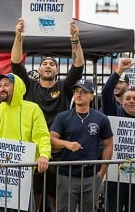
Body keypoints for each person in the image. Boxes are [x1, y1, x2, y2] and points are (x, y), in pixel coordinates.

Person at [11, 18, 84, 211]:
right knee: (33, 196)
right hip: (33, 151)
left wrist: (75, 41)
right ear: (39, 69)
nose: (49, 65)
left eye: (52, 64)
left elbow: (78, 67)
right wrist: (18, 38)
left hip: (58, 152)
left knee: (56, 197)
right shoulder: (29, 86)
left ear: (57, 71)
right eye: (45, 63)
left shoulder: (64, 87)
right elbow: (16, 63)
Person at [0, 73, 51, 211]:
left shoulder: (33, 109)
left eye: (6, 85)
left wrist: (44, 155)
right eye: (0, 85)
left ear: (17, 87)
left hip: (23, 175)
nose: (2, 88)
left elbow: (42, 136)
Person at [50, 79, 113, 212]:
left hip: (91, 176)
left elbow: (108, 144)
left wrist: (101, 172)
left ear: (92, 95)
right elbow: (51, 138)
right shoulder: (63, 116)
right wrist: (66, 144)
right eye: (76, 91)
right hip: (66, 175)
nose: (78, 95)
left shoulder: (101, 119)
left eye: (84, 92)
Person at [100, 58, 135, 211]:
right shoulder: (115, 112)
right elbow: (106, 93)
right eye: (128, 98)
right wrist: (119, 71)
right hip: (115, 176)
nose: (131, 101)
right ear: (122, 101)